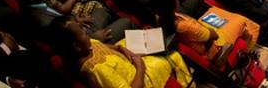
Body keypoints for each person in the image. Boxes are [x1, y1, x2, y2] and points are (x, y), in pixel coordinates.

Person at [50, 16, 193, 88]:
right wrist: (140, 66)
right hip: (140, 78)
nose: (86, 32)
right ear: (76, 46)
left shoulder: (87, 46)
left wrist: (121, 49)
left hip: (126, 60)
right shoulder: (98, 70)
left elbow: (104, 46)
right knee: (172, 56)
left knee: (140, 39)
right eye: (81, 32)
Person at [150, 0, 259, 67]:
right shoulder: (184, 26)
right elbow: (214, 35)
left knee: (218, 12)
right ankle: (246, 57)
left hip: (202, 33)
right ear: (172, 5)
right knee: (245, 22)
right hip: (215, 48)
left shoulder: (161, 17)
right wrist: (208, 30)